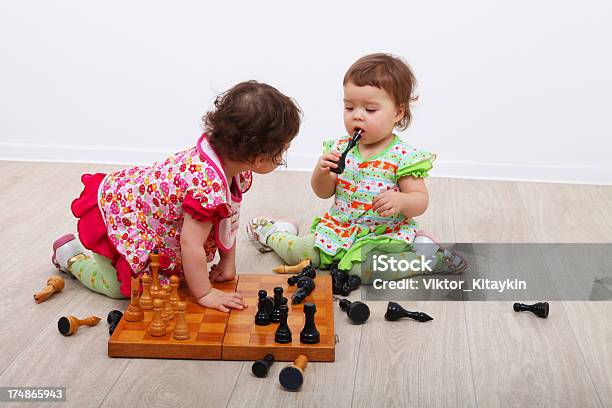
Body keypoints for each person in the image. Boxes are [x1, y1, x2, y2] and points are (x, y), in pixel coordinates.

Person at [51, 81, 302, 311]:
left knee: (169, 278)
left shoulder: (230, 165)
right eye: (281, 153)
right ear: (258, 158)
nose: (282, 158)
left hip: (146, 211)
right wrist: (204, 293)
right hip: (119, 216)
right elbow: (190, 244)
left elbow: (228, 219)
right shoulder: (206, 188)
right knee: (120, 289)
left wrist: (228, 260)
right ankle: (71, 258)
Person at [247, 54, 466, 283]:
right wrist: (321, 173)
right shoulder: (340, 148)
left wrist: (401, 201)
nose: (357, 116)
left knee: (364, 271)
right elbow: (323, 192)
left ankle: (427, 256)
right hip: (338, 230)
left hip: (382, 236)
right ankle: (272, 232)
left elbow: (420, 200)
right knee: (300, 253)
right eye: (349, 107)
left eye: (370, 110)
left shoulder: (403, 157)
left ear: (398, 113)